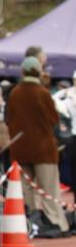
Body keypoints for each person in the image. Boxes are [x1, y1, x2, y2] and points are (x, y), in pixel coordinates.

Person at [6, 57, 71, 235]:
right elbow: (53, 119)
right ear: (39, 71)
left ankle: (29, 222)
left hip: (20, 148)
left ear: (22, 71)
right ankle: (57, 222)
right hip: (43, 149)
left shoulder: (15, 93)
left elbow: (9, 118)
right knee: (49, 189)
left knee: (25, 190)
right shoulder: (42, 93)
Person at [54, 72, 76, 200]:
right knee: (73, 165)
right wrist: (65, 92)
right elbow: (53, 99)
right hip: (72, 136)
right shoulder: (69, 97)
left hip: (72, 135)